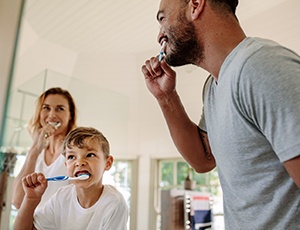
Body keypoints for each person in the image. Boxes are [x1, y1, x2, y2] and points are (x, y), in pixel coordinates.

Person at [141, 0, 300, 229]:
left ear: (195, 5)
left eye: (162, 18)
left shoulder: (260, 66)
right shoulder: (213, 86)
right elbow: (204, 159)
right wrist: (166, 97)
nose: (159, 36)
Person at [13, 126, 129, 230]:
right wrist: (31, 199)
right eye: (72, 156)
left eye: (90, 155)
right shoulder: (61, 197)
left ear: (107, 163)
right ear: (66, 166)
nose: (79, 162)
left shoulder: (114, 203)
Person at [12, 87, 77, 209]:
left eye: (60, 109)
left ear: (70, 116)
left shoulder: (74, 152)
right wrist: (34, 151)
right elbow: (17, 201)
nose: (52, 115)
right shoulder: (36, 152)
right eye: (46, 108)